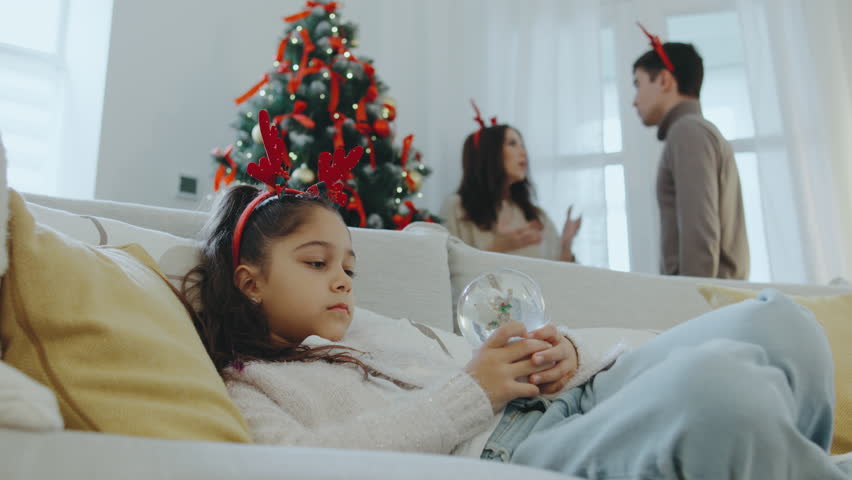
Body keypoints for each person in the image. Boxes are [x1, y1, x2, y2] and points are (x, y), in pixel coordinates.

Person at [183, 133, 850, 478]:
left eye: (349, 266)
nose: (343, 281)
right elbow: (305, 467)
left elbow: (477, 359)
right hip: (515, 447)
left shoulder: (373, 327)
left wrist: (561, 354)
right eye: (317, 264)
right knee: (724, 390)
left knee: (781, 321)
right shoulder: (252, 384)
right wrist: (472, 392)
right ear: (248, 281)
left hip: (572, 396)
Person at [632, 27, 750, 279]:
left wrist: (690, 308)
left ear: (664, 80)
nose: (635, 100)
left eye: (638, 84)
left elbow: (699, 233)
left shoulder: (687, 131)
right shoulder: (696, 130)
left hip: (706, 305)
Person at [441, 119, 581, 262]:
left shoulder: (536, 216)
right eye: (512, 144)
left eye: (522, 145)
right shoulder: (457, 208)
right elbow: (450, 269)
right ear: (489, 153)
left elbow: (559, 275)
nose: (523, 153)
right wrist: (499, 247)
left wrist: (566, 244)